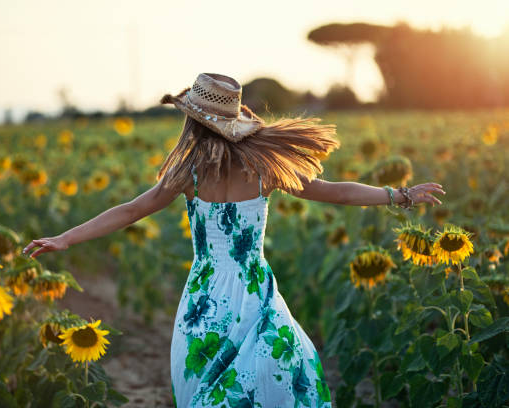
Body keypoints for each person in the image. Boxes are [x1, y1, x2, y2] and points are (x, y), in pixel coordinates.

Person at [22, 73, 445, 407]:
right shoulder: (263, 171)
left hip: (204, 297)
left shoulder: (186, 176)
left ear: (194, 123)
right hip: (254, 293)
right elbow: (337, 191)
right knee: (273, 379)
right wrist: (400, 195)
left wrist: (66, 238)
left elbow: (130, 210)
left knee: (207, 387)